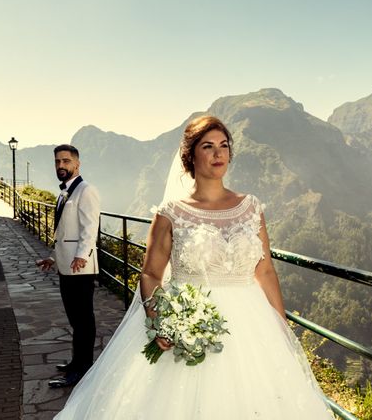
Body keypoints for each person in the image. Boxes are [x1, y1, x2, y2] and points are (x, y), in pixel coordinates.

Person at [54, 117, 332, 418]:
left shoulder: (251, 207)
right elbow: (150, 274)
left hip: (252, 327)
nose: (218, 154)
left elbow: (264, 272)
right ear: (191, 156)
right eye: (208, 146)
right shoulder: (171, 213)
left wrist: (281, 329)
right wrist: (158, 319)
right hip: (187, 326)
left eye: (224, 146)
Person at [36, 144, 101, 388]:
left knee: (84, 320)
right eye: (57, 162)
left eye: (65, 161)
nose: (61, 166)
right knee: (75, 319)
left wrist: (82, 255)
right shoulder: (64, 192)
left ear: (77, 164)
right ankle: (77, 362)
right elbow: (64, 233)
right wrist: (53, 258)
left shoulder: (86, 191)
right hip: (66, 265)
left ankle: (83, 370)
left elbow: (89, 227)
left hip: (80, 268)